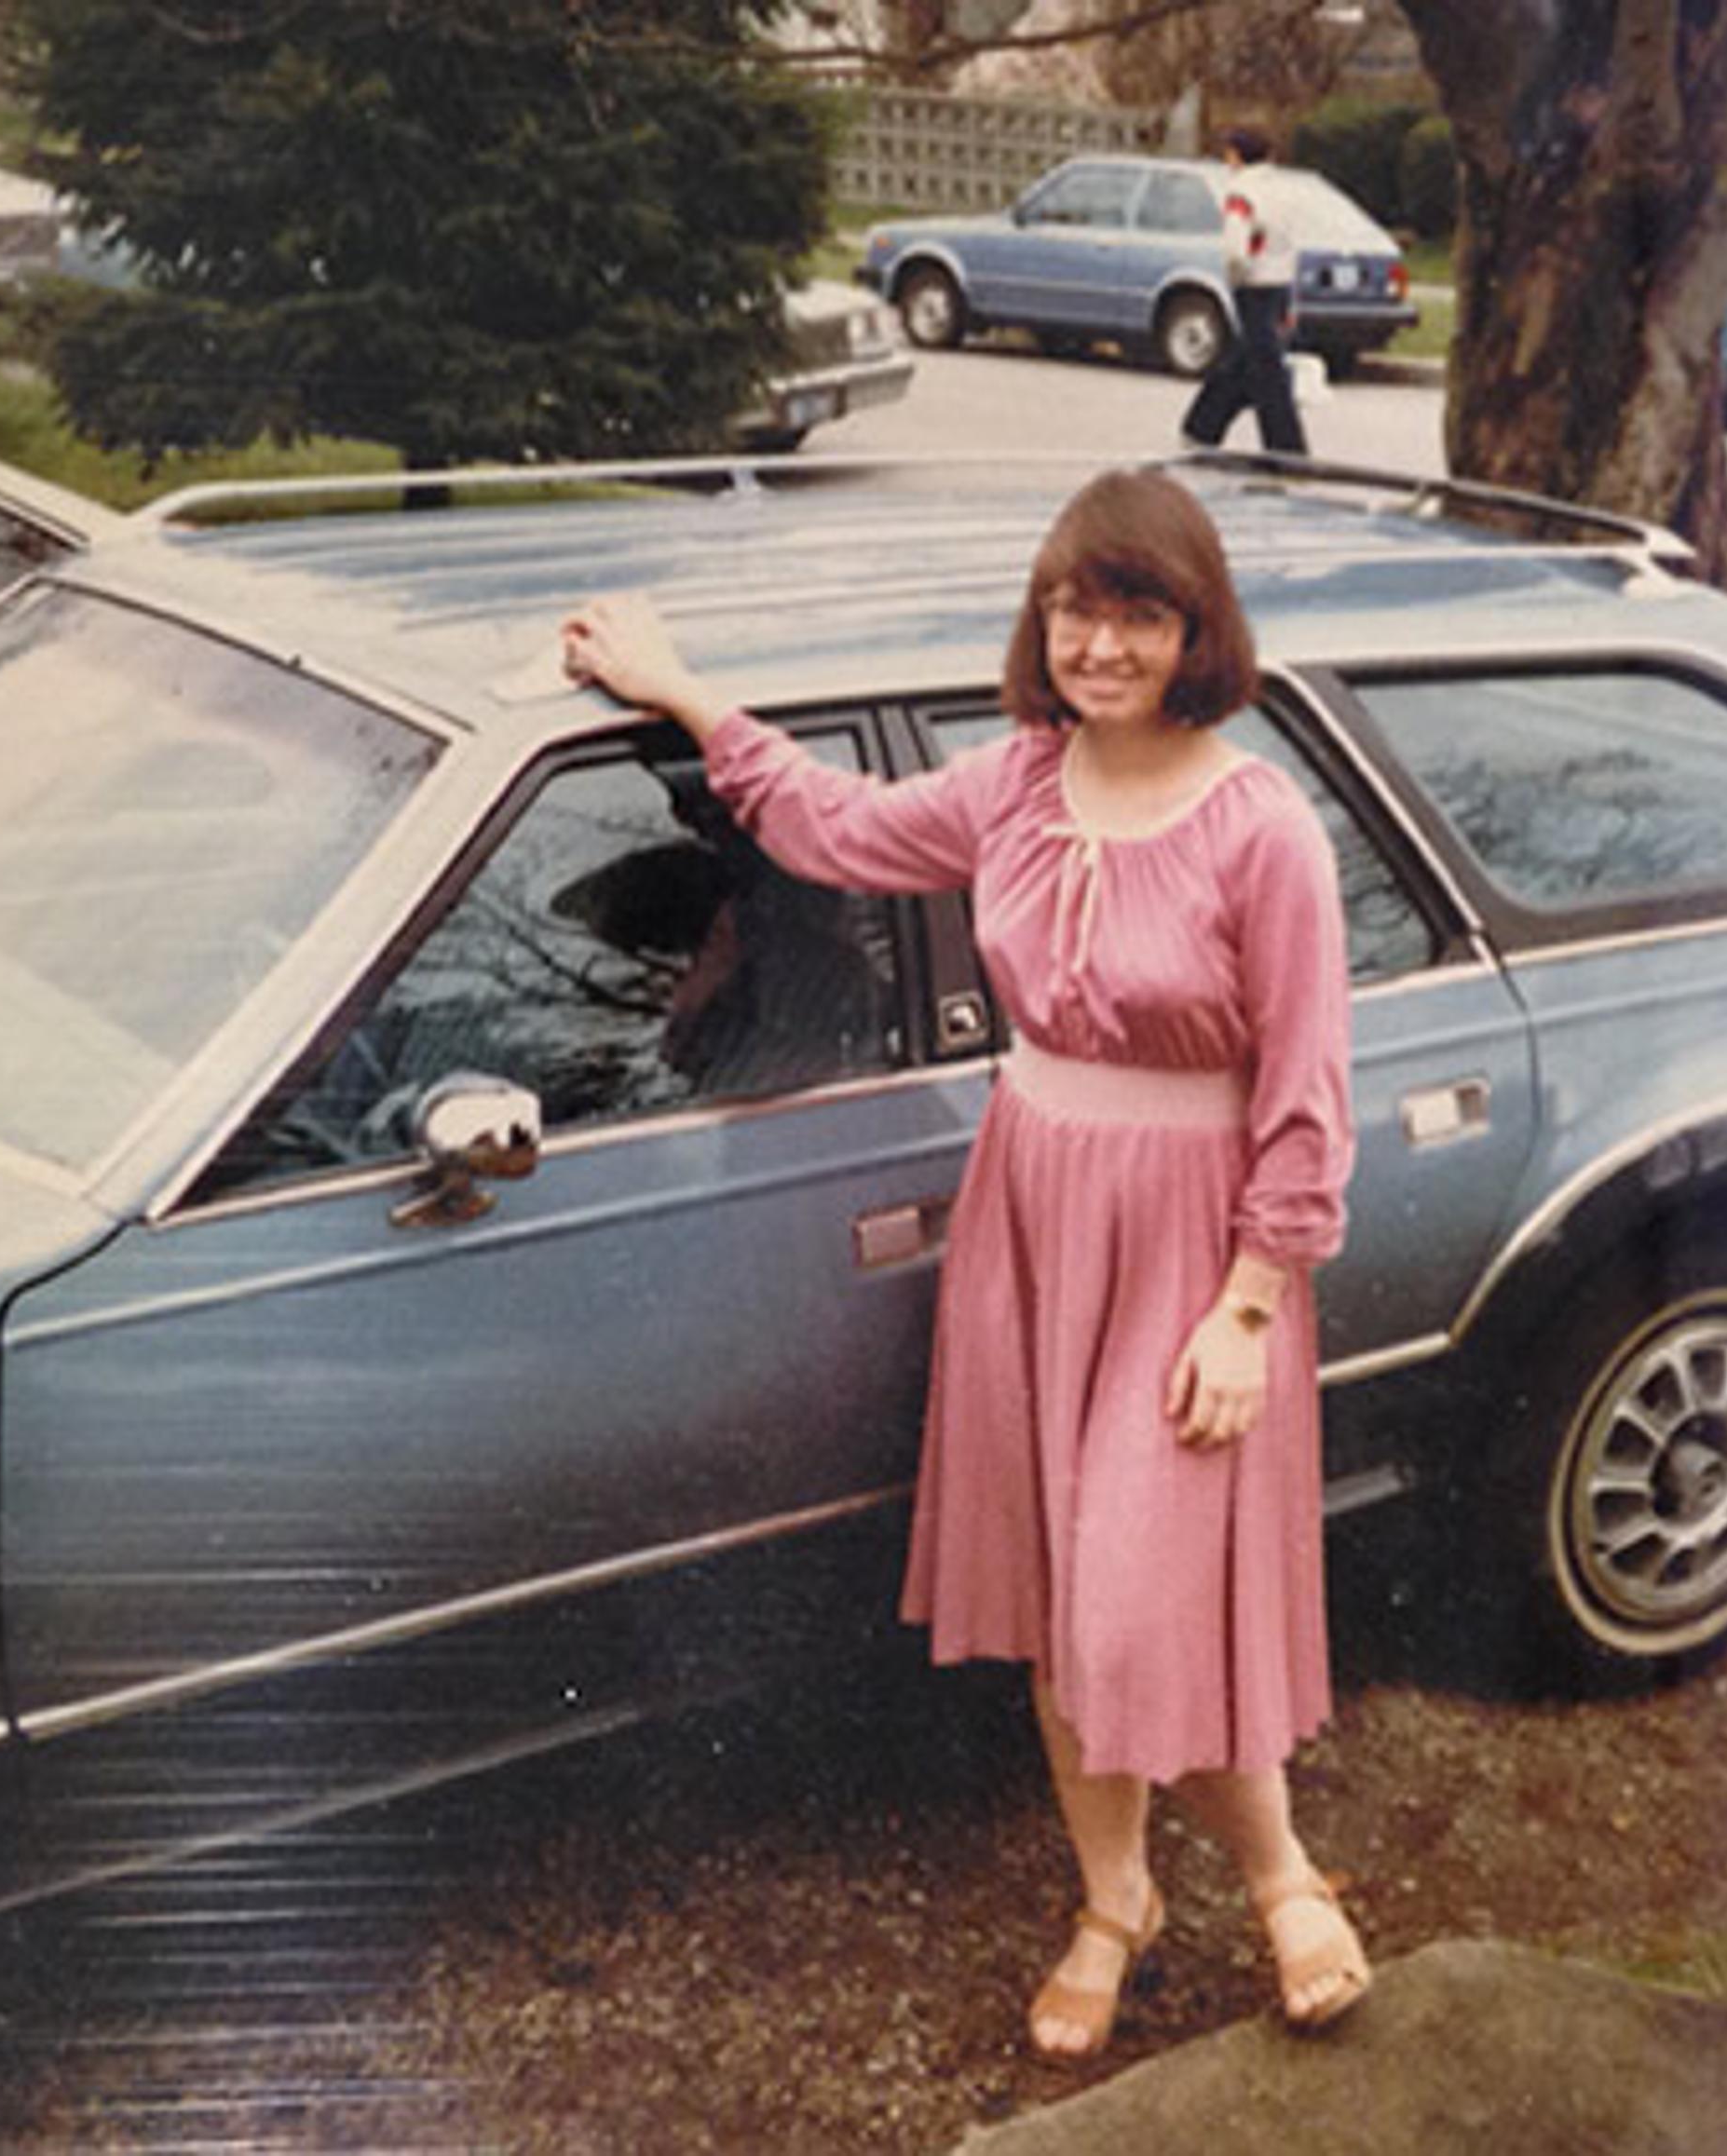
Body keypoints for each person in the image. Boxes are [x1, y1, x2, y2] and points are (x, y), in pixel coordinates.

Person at [559, 469, 1365, 2061]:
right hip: (1033, 1211)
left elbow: (1307, 1095)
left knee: (1149, 1596)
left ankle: (1279, 1874)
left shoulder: (1263, 829)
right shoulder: (1014, 783)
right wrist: (682, 694)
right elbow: (837, 827)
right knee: (1071, 1594)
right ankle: (1114, 1899)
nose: (1100, 642)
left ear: (1198, 628)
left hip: (1191, 1243)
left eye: (1139, 611)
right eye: (1075, 606)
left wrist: (1249, 1309)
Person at [1179, 128, 1309, 456]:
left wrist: (1237, 274)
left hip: (1254, 285)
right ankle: (1203, 426)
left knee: (1265, 371)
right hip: (1280, 282)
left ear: (1236, 155)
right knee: (1254, 360)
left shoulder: (1241, 192)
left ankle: (1283, 446)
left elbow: (1236, 248)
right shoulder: (1286, 190)